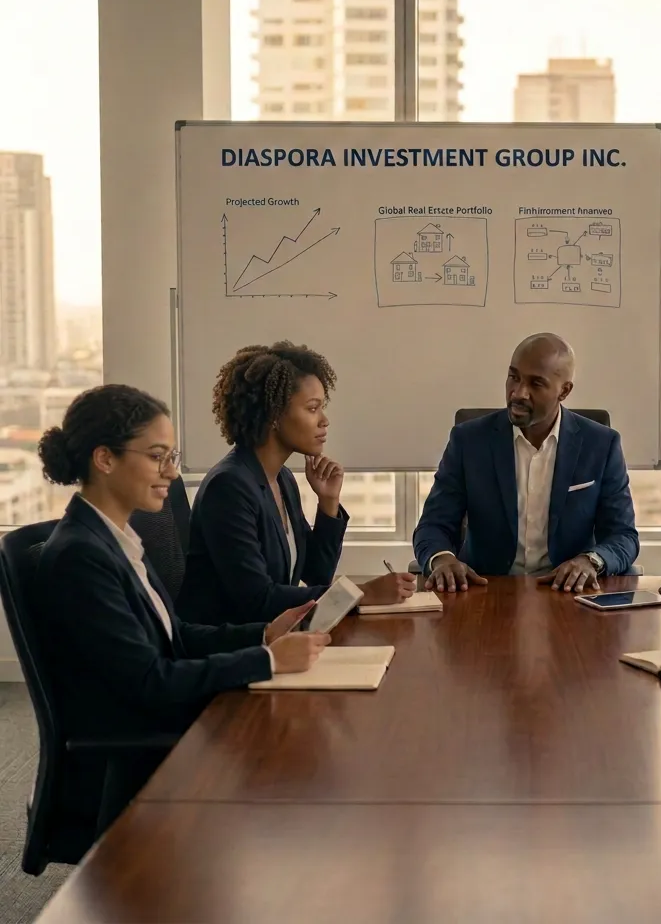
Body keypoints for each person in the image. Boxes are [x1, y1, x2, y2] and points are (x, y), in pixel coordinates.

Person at [35, 384, 330, 830]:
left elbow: (177, 635)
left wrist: (264, 634)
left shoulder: (116, 539)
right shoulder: (82, 556)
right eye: (157, 456)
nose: (171, 474)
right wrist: (267, 661)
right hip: (140, 755)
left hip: (166, 723)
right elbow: (150, 682)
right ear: (105, 459)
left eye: (171, 458)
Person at [177, 341, 414, 624]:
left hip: (272, 640)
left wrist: (328, 503)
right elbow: (258, 600)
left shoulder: (282, 478)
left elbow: (316, 574)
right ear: (274, 415)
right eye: (312, 408)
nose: (324, 421)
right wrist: (361, 592)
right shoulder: (229, 487)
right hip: (229, 651)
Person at [413, 333, 640, 593]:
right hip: (486, 591)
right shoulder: (469, 441)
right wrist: (442, 559)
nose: (518, 393)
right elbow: (433, 524)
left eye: (536, 383)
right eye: (514, 377)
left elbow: (623, 536)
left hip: (566, 593)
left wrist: (591, 561)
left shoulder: (600, 445)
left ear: (564, 391)